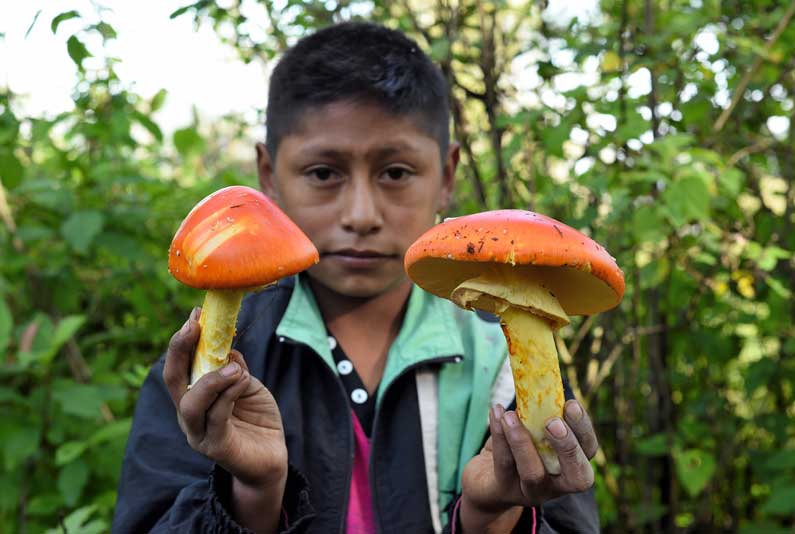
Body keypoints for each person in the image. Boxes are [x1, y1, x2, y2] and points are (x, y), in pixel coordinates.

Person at [112, 21, 600, 534]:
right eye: (324, 173)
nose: (362, 215)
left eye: (395, 172)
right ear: (268, 174)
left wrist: (491, 516)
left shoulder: (510, 356)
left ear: (448, 175)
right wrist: (253, 493)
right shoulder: (206, 372)